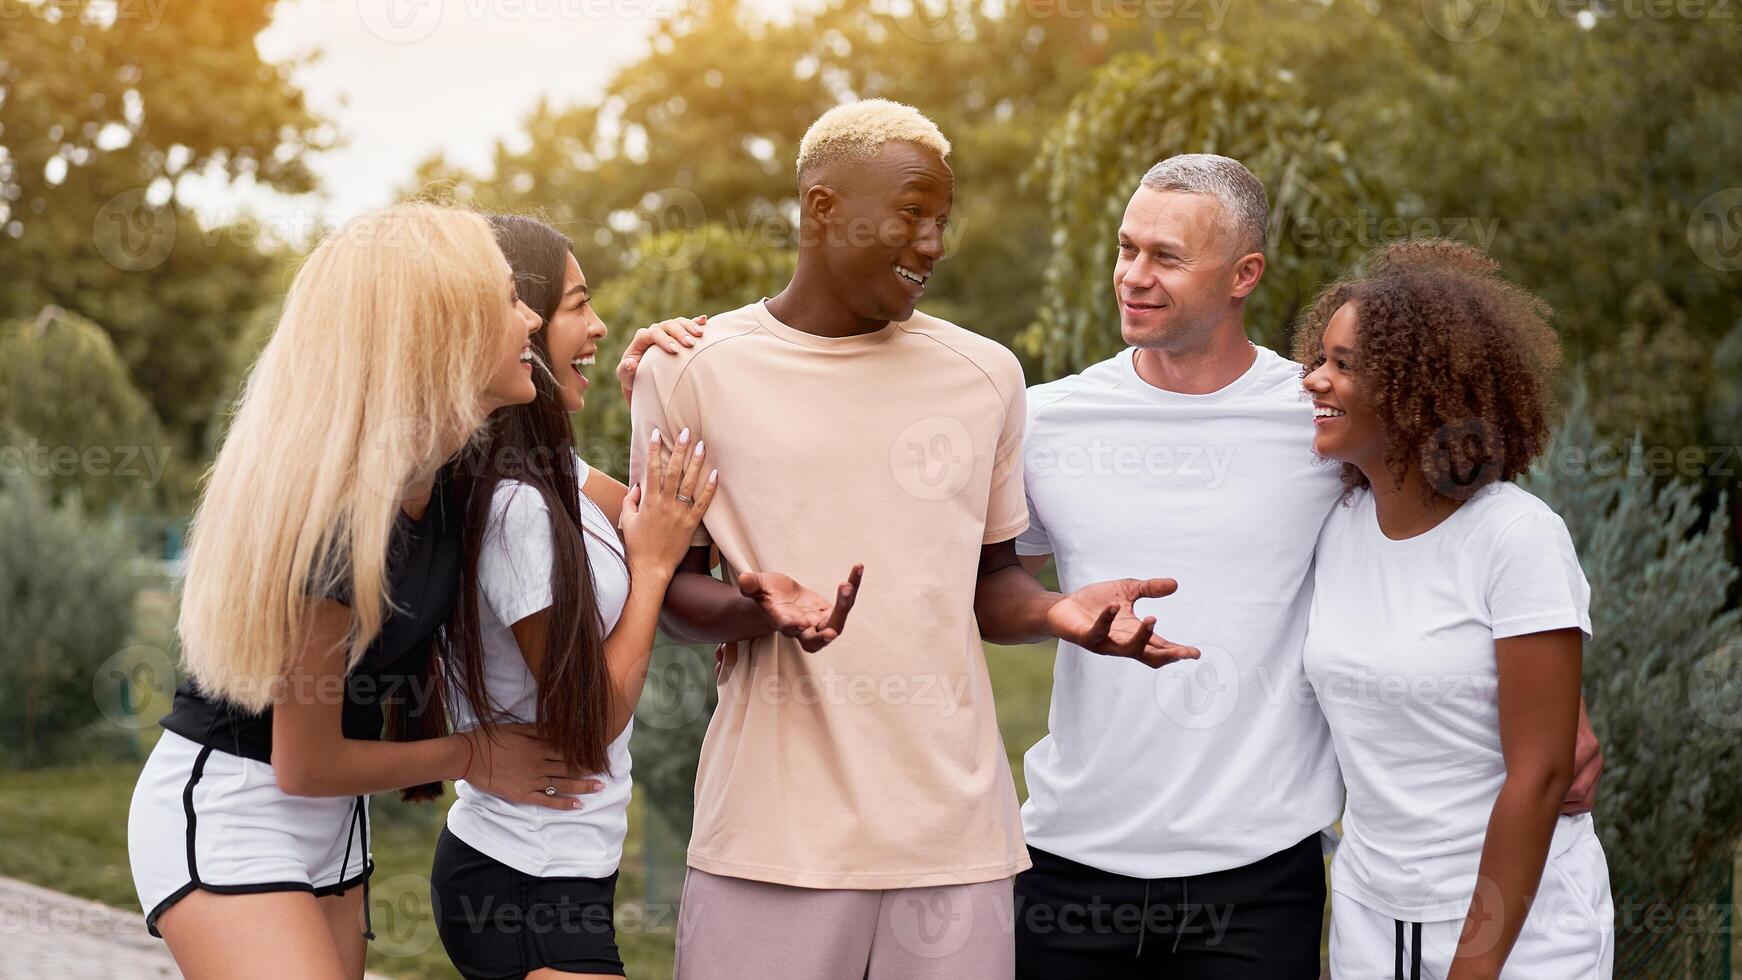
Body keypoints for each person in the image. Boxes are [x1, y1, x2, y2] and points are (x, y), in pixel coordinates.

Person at [619, 99, 1196, 980]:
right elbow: (666, 594)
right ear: (821, 208)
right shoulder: (688, 369)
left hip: (953, 843)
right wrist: (756, 607)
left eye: (942, 220)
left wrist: (1056, 613)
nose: (931, 243)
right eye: (912, 213)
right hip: (771, 841)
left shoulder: (985, 374)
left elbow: (988, 586)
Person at [1002, 155, 1603, 978]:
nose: (1133, 277)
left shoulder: (1323, 420)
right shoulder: (1048, 419)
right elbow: (991, 590)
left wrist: (1559, 704)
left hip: (1259, 879)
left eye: (1167, 256)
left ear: (1244, 272)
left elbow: (1457, 516)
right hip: (1069, 860)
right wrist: (1050, 613)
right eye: (1126, 248)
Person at [127, 204, 594, 980]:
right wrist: (474, 754)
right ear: (438, 331)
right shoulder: (340, 523)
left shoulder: (450, 468)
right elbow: (300, 765)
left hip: (337, 820)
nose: (531, 317)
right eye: (509, 298)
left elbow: (611, 500)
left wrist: (672, 375)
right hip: (234, 807)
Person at [1297, 239, 1614, 978]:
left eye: (1345, 365)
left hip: (1519, 931)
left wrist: (1473, 967)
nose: (1314, 379)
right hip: (1371, 918)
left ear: (1420, 391)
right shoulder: (1336, 525)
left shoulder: (1515, 536)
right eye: (1321, 357)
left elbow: (1542, 775)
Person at [429, 214, 717, 980]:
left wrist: (648, 394)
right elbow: (589, 727)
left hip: (560, 874)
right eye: (576, 307)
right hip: (523, 880)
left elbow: (670, 517)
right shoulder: (513, 507)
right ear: (516, 319)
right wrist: (651, 573)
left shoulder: (545, 462)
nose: (599, 325)